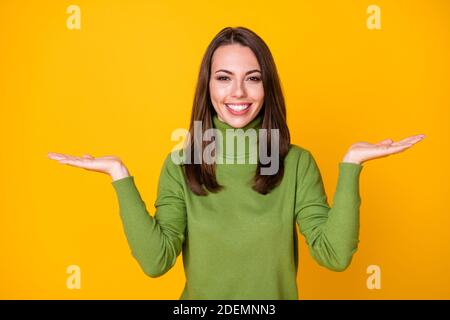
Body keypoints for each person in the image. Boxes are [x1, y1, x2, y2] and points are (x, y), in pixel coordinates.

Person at [47, 26, 425, 299]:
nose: (238, 92)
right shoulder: (181, 163)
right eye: (224, 77)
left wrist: (352, 164)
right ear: (207, 87)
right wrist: (119, 175)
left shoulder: (296, 163)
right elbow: (156, 262)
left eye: (253, 78)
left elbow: (335, 255)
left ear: (267, 87)